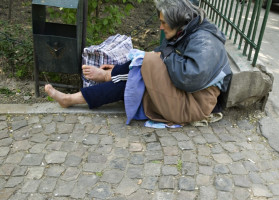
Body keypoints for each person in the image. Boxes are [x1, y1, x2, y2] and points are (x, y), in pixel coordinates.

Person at [45, 0, 232, 125]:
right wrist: (150, 59)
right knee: (136, 74)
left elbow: (189, 77)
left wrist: (159, 58)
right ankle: (78, 94)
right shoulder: (186, 30)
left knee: (140, 69)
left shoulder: (205, 41)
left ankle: (87, 89)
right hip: (187, 93)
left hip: (194, 102)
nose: (160, 27)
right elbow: (163, 55)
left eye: (163, 22)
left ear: (177, 21)